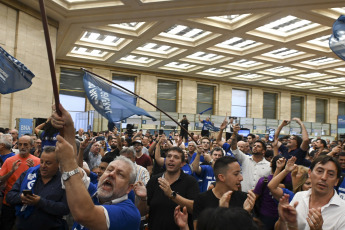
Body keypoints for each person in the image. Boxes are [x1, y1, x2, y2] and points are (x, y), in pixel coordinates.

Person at [51, 104, 141, 230]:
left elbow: (84, 214)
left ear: (129, 188)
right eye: (109, 169)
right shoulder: (94, 193)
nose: (111, 174)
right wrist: (69, 127)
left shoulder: (128, 213)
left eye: (120, 174)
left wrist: (67, 162)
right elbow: (75, 173)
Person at [6, 146, 69, 230]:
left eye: (48, 163)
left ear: (58, 164)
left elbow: (65, 209)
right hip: (23, 225)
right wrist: (21, 197)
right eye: (41, 161)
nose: (43, 166)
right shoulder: (28, 174)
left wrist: (40, 202)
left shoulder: (65, 181)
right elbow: (9, 197)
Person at [275, 155, 345, 230]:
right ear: (309, 173)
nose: (324, 177)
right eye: (320, 171)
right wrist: (283, 220)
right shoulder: (299, 196)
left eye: (331, 174)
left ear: (336, 181)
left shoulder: (343, 211)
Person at [142, 146, 199, 230]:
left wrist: (172, 195)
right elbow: (143, 212)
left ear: (182, 163)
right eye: (169, 156)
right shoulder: (154, 180)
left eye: (176, 157)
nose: (171, 159)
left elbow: (195, 208)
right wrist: (142, 198)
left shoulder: (190, 182)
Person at [193, 156, 256, 229]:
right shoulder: (201, 200)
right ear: (221, 177)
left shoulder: (245, 199)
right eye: (236, 174)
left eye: (240, 173)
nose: (241, 178)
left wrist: (246, 213)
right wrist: (221, 213)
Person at [0, 136, 40, 230]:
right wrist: (11, 172)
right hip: (9, 202)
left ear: (31, 146)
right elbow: (1, 180)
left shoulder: (38, 161)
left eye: (25, 144)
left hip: (28, 203)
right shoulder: (9, 160)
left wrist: (33, 170)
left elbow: (42, 183)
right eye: (20, 144)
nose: (22, 147)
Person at [230, 124, 271, 192]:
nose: (255, 147)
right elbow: (234, 148)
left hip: (259, 198)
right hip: (243, 195)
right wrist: (234, 133)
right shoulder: (245, 159)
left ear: (263, 151)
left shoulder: (268, 166)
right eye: (254, 145)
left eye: (258, 146)